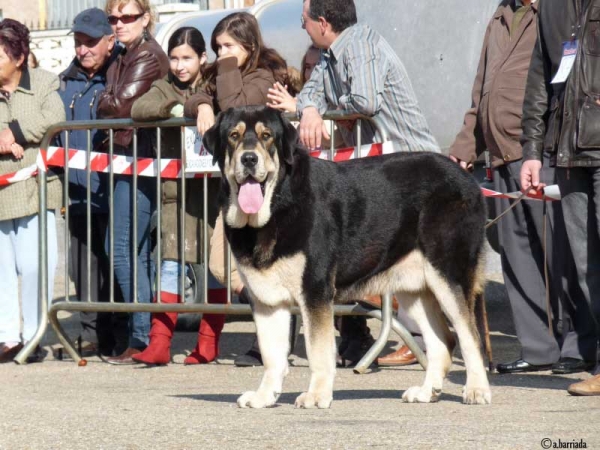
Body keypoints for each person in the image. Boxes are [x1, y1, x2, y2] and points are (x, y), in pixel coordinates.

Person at [450, 0, 597, 375]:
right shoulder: (501, 16)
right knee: (517, 257)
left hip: (542, 149)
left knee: (559, 256)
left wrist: (541, 143)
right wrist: (467, 146)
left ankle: (577, 344)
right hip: (501, 152)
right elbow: (482, 89)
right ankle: (537, 346)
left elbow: (556, 78)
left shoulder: (552, 9)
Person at [296, 0, 439, 367]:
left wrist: (323, 109)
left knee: (425, 259)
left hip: (411, 169)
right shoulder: (328, 55)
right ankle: (413, 335)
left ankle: (428, 337)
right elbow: (307, 95)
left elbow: (366, 99)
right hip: (378, 173)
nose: (303, 28)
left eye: (305, 21)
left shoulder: (360, 43)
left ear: (323, 22)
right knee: (384, 257)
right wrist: (310, 109)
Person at [184, 11, 296, 367]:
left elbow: (235, 109)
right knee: (223, 262)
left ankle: (274, 338)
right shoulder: (224, 74)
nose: (220, 53)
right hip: (236, 188)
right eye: (217, 47)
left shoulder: (265, 76)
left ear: (249, 45)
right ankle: (275, 319)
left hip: (270, 189)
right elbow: (193, 97)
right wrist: (202, 103)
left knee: (270, 263)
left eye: (228, 45)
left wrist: (226, 67)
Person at [130, 27, 223, 365]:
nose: (180, 65)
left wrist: (206, 106)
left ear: (203, 58)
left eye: (187, 58)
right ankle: (159, 342)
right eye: (174, 58)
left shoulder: (216, 82)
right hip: (176, 192)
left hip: (215, 193)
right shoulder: (165, 85)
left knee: (215, 267)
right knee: (170, 263)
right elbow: (141, 108)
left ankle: (209, 341)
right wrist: (182, 108)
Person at [520, 0, 600, 394]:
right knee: (587, 268)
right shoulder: (550, 8)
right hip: (569, 152)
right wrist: (532, 151)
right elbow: (539, 80)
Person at [97, 0, 169, 365]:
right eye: (114, 17)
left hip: (141, 161)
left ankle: (142, 337)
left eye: (127, 17)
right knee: (131, 249)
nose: (119, 23)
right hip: (126, 158)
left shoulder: (148, 57)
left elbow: (119, 107)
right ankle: (144, 335)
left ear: (145, 18)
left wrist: (104, 99)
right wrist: (106, 99)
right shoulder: (124, 56)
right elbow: (112, 102)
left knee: (122, 247)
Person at [54, 7, 127, 360]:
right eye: (78, 43)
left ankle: (120, 333)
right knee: (82, 269)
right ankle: (89, 334)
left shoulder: (119, 75)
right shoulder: (64, 83)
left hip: (114, 190)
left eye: (91, 43)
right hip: (77, 193)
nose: (83, 50)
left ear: (109, 41)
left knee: (116, 265)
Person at [0, 19, 65, 363]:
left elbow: (54, 121)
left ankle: (33, 336)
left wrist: (14, 133)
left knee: (34, 266)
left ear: (19, 56)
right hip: (1, 194)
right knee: (2, 270)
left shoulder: (42, 83)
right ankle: (7, 337)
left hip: (36, 191)